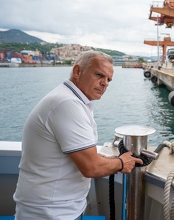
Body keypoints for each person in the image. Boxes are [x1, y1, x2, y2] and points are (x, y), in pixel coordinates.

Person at [13, 51, 143, 219]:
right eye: (99, 75)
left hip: (57, 208)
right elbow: (91, 167)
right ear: (77, 71)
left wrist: (110, 160)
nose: (104, 84)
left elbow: (78, 155)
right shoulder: (67, 104)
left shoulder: (71, 99)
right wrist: (120, 163)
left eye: (108, 80)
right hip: (50, 213)